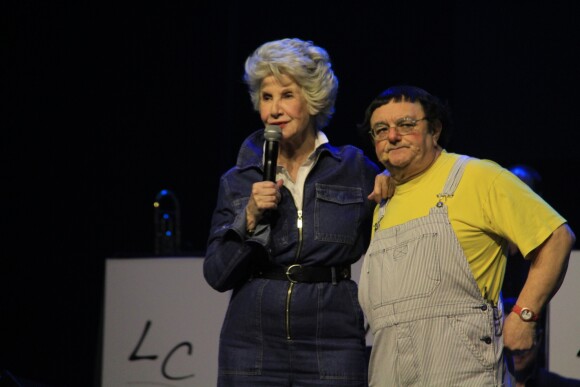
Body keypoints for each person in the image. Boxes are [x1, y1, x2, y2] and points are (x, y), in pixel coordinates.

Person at [356, 85, 576, 386]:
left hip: (461, 371)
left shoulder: (476, 176)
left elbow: (557, 237)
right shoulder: (382, 200)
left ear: (434, 129)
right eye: (380, 130)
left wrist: (524, 315)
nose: (392, 136)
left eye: (406, 125)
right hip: (389, 373)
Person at [204, 38, 387, 386]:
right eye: (266, 97)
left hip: (332, 343)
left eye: (287, 95)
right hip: (251, 345)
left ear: (313, 98)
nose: (274, 109)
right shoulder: (238, 179)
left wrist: (391, 185)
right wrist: (249, 216)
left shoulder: (353, 168)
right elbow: (216, 273)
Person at [502, 165, 580, 387]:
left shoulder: (548, 247)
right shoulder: (493, 245)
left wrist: (524, 316)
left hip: (531, 334)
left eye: (524, 190)